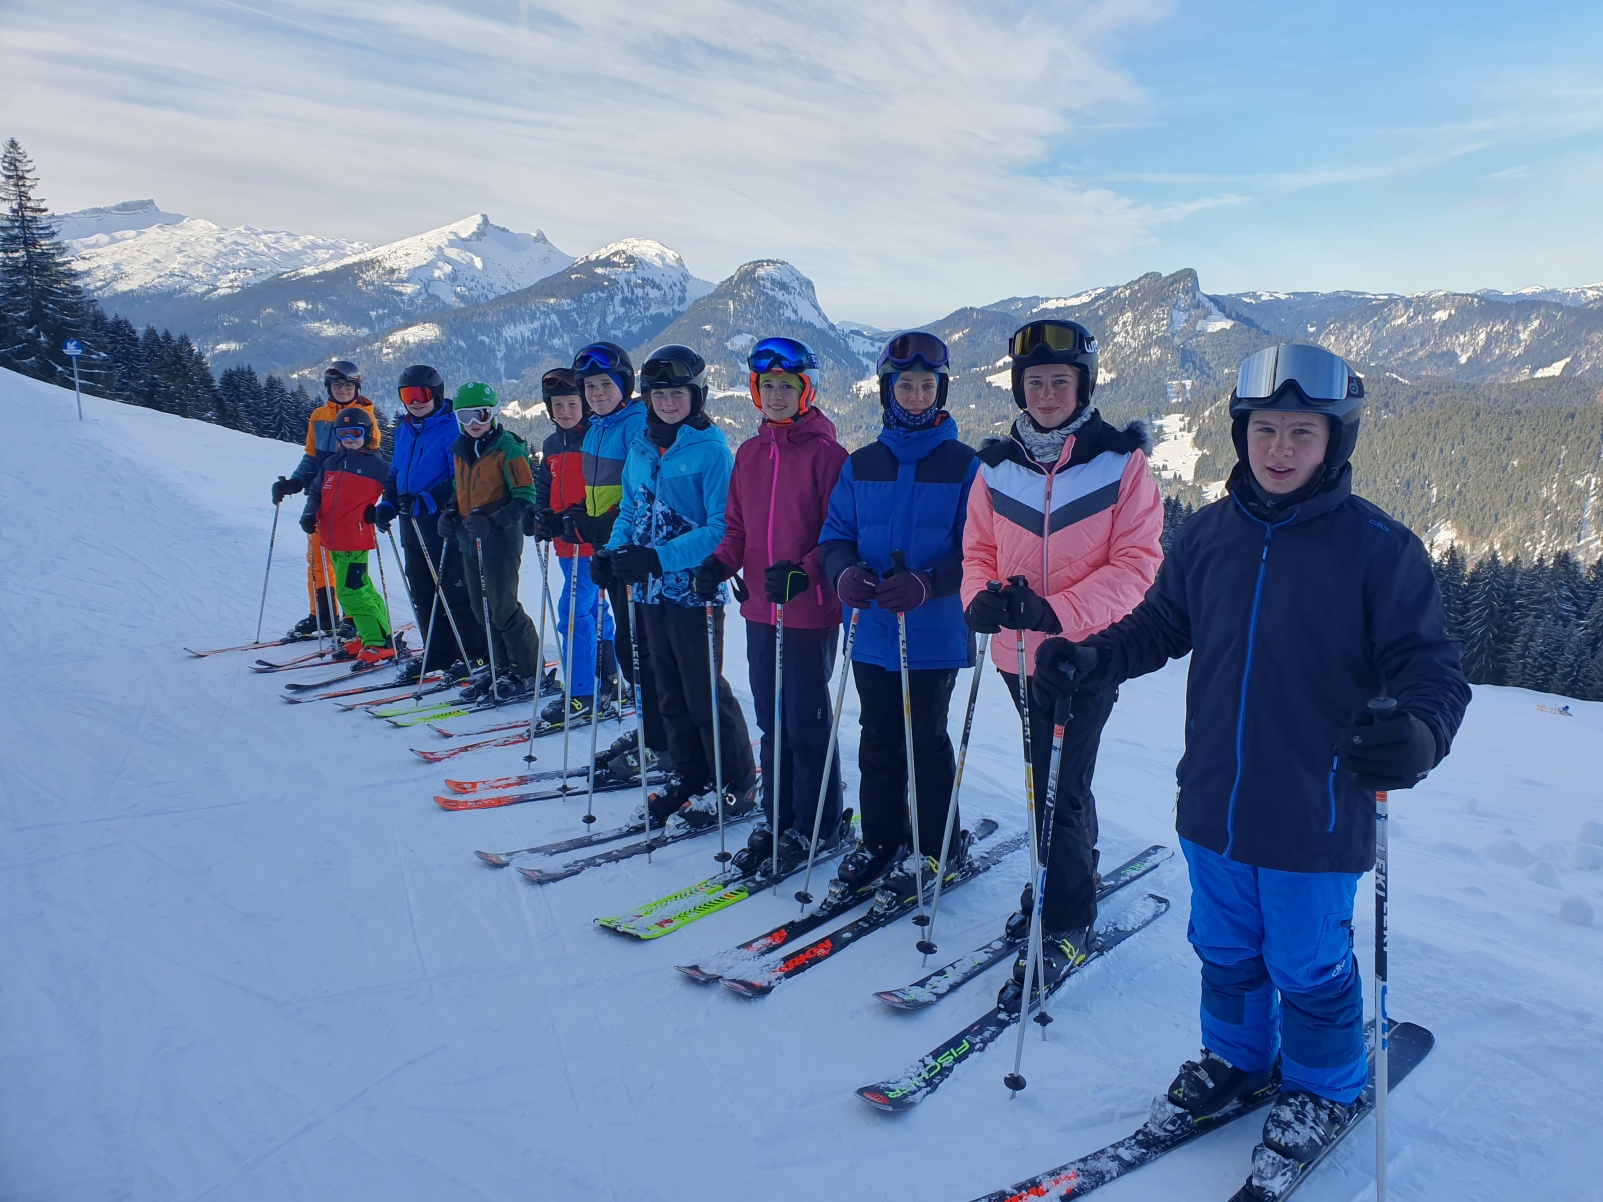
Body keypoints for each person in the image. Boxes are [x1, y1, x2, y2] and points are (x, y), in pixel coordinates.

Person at [1030, 343, 1470, 1171]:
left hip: (1315, 809)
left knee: (1306, 962)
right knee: (1224, 947)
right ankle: (1236, 1057)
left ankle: (1322, 1086)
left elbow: (1430, 668)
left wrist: (1420, 732)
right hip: (1211, 799)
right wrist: (1093, 656)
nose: (1278, 449)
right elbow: (1162, 625)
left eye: (1301, 432)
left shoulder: (1378, 549)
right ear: (1241, 433)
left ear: (1333, 441)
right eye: (1264, 429)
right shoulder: (1210, 534)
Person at [959, 318, 1164, 1009]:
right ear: (1020, 388)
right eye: (1035, 382)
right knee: (1048, 775)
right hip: (1015, 655)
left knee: (1059, 785)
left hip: (1084, 655)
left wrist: (1057, 614)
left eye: (1060, 382)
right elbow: (977, 554)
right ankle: (1065, 873)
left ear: (1084, 386)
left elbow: (1137, 566)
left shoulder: (1119, 465)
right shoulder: (996, 468)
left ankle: (1068, 914)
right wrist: (980, 600)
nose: (1046, 394)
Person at [816, 331, 979, 895]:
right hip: (871, 629)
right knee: (879, 737)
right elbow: (835, 535)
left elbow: (978, 550)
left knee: (925, 740)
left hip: (933, 631)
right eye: (905, 385)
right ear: (888, 390)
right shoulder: (863, 463)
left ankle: (937, 847)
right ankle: (881, 840)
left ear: (941, 391)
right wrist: (843, 572)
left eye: (926, 386)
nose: (916, 396)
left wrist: (928, 582)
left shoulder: (964, 465)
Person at [694, 337, 849, 875]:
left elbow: (837, 533)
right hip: (761, 608)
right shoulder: (749, 454)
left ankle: (818, 823)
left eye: (787, 385)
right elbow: (737, 528)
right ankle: (778, 818)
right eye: (768, 386)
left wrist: (803, 572)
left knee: (805, 720)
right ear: (756, 391)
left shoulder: (828, 456)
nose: (777, 395)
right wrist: (718, 563)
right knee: (771, 720)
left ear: (806, 391)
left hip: (807, 610)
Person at [595, 344, 757, 827]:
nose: (667, 402)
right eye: (659, 394)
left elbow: (720, 528)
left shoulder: (711, 452)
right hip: (648, 591)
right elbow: (629, 510)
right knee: (666, 690)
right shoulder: (641, 447)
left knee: (703, 691)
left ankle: (735, 783)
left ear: (697, 396)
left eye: (678, 393)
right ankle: (689, 773)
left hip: (694, 592)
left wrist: (657, 558)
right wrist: (613, 553)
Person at [569, 342, 668, 779]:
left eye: (605, 385)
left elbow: (642, 495)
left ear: (625, 385)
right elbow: (601, 494)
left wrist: (602, 524)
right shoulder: (596, 429)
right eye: (590, 386)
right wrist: (578, 516)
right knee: (629, 647)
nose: (596, 393)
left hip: (632, 551)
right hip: (610, 549)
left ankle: (663, 738)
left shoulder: (635, 426)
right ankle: (651, 728)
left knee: (642, 647)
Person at [372, 364, 486, 684]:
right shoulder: (405, 429)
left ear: (436, 394)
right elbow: (396, 473)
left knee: (453, 588)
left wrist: (428, 500)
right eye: (407, 395)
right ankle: (437, 652)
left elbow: (459, 477)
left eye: (421, 395)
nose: (414, 402)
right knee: (421, 589)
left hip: (444, 521)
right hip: (411, 521)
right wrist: (388, 502)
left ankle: (472, 653)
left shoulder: (453, 428)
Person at [436, 382, 542, 702]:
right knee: (481, 610)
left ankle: (527, 670)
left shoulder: (509, 449)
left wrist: (494, 521)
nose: (474, 423)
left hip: (500, 542)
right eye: (465, 416)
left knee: (502, 607)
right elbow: (459, 490)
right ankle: (501, 666)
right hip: (469, 541)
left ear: (494, 414)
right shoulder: (461, 449)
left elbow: (526, 496)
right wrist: (450, 512)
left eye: (481, 414)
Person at [532, 367, 617, 724]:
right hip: (565, 547)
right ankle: (610, 679)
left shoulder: (595, 440)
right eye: (557, 405)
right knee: (594, 612)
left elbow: (603, 491)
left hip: (590, 544)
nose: (565, 411)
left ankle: (581, 693)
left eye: (571, 403)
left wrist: (573, 518)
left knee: (571, 614)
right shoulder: (552, 445)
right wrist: (541, 514)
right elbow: (544, 485)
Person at [271, 361, 378, 641]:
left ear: (357, 388)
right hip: (321, 498)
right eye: (337, 385)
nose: (343, 390)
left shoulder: (365, 417)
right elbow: (311, 456)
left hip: (349, 501)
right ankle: (324, 615)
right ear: (328, 388)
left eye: (348, 385)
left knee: (346, 561)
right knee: (318, 559)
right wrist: (295, 482)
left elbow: (371, 459)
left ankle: (354, 617)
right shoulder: (318, 416)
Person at [297, 407, 397, 665]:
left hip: (354, 539)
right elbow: (316, 494)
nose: (350, 439)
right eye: (343, 433)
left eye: (356, 433)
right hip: (331, 540)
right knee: (361, 588)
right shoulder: (330, 464)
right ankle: (371, 634)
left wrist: (380, 510)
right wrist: (309, 514)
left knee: (350, 592)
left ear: (368, 434)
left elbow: (395, 488)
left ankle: (379, 642)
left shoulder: (376, 465)